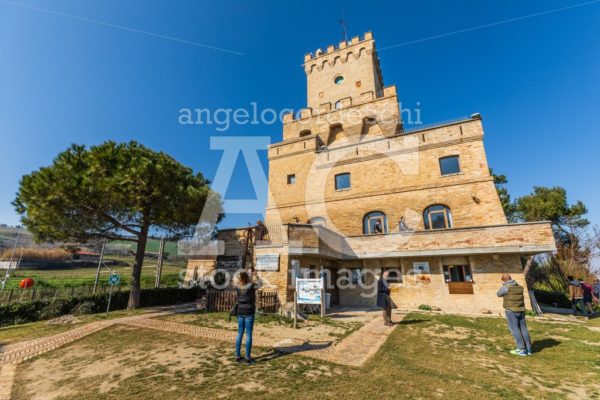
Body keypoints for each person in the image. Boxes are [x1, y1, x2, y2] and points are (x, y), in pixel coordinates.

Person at [497, 274, 532, 356]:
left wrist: (504, 285)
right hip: (521, 310)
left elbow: (498, 294)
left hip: (511, 311)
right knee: (523, 328)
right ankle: (528, 348)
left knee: (515, 329)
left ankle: (521, 349)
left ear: (504, 280)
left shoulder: (506, 287)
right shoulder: (519, 287)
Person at [235, 270, 260, 365]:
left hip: (240, 311)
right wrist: (256, 276)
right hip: (249, 312)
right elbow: (260, 284)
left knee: (240, 333)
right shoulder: (251, 286)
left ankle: (237, 356)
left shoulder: (237, 286)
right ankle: (248, 358)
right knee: (248, 334)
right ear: (247, 278)